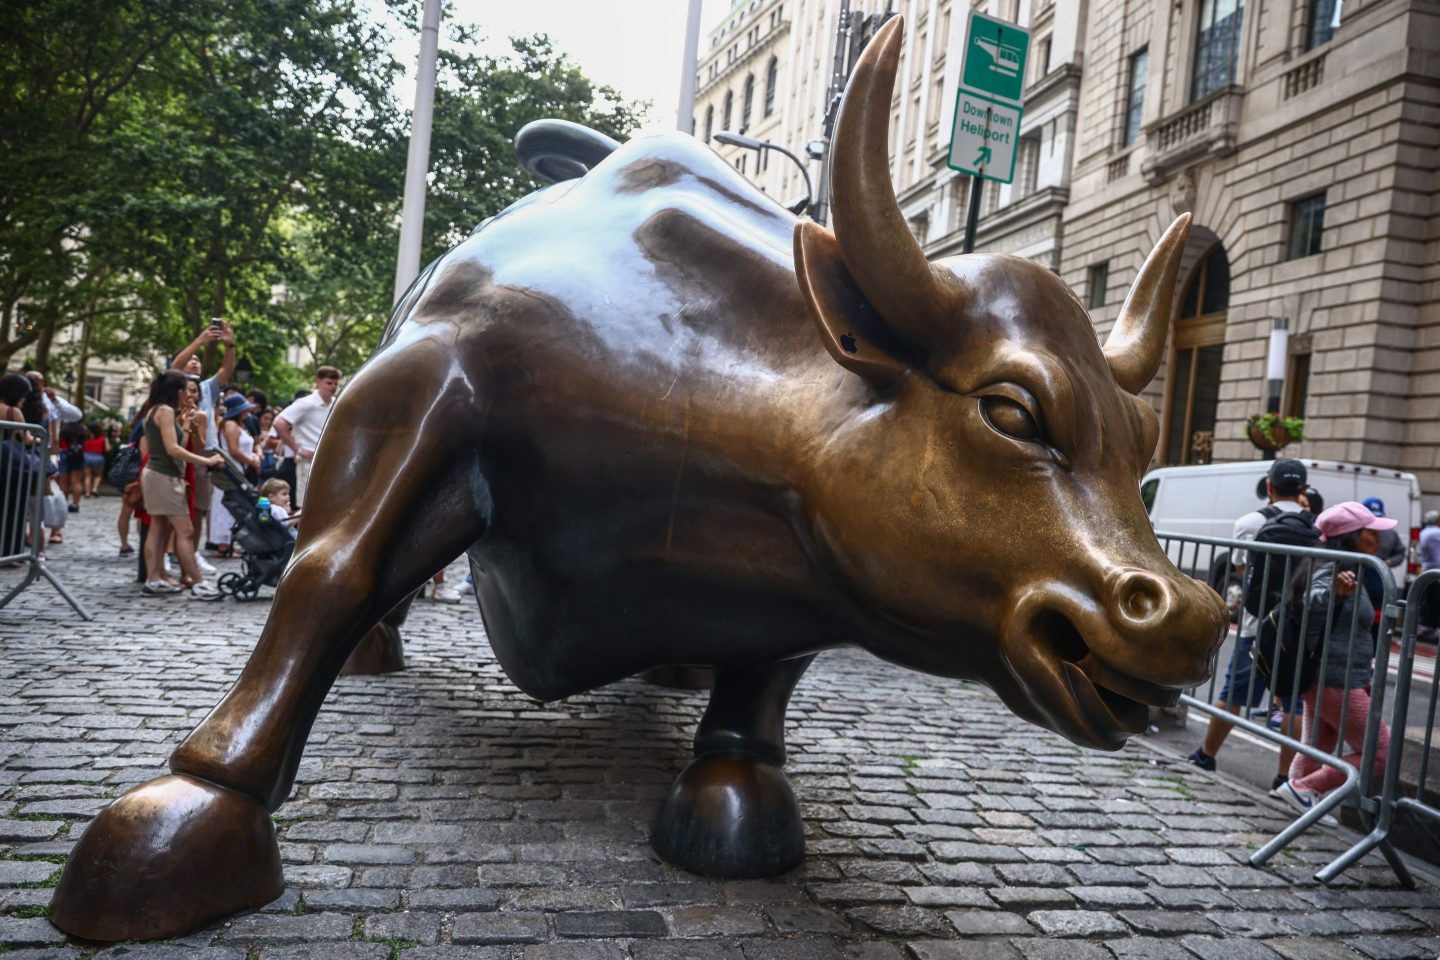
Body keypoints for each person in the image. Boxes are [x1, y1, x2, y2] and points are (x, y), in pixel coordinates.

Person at [1188, 458, 1307, 789]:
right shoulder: (1316, 524)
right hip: (1299, 628)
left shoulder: (1249, 522)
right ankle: (1285, 779)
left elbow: (1242, 571)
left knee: (1234, 692)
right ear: (1303, 490)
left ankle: (1207, 754)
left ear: (1269, 487)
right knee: (1294, 701)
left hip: (1259, 626)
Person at [1274, 501, 1394, 813]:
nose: (1379, 539)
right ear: (1351, 535)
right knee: (1380, 752)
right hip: (1336, 680)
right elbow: (1310, 606)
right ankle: (1304, 788)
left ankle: (1298, 804)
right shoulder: (1333, 568)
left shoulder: (1347, 566)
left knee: (1317, 749)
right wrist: (1334, 596)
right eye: (1371, 533)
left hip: (1330, 677)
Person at [138, 370, 224, 599]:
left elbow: (176, 445)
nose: (189, 393)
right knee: (185, 531)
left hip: (159, 475)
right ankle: (199, 583)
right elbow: (173, 449)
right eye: (187, 389)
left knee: (158, 527)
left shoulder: (154, 410)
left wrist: (185, 426)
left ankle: (154, 578)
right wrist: (207, 460)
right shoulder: (165, 411)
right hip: (163, 477)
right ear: (178, 391)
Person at [169, 322, 237, 553]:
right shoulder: (170, 385)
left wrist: (230, 344)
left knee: (199, 508)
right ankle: (170, 552)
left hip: (204, 453)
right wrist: (200, 339)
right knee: (175, 508)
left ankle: (192, 553)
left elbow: (226, 371)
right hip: (177, 451)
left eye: (199, 358)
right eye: (191, 357)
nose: (196, 360)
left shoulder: (206, 388)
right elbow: (174, 368)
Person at [273, 367, 340, 509]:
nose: (333, 387)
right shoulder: (306, 403)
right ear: (318, 382)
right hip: (308, 461)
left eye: (336, 383)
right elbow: (279, 423)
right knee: (306, 505)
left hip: (328, 461)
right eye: (329, 383)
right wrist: (298, 449)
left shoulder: (336, 404)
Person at [211, 394, 260, 557]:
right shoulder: (231, 424)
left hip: (239, 468)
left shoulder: (240, 424)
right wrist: (251, 461)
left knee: (237, 505)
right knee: (227, 507)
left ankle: (230, 542)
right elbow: (233, 450)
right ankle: (224, 544)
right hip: (232, 468)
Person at [1360, 497, 1407, 588]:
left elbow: (1400, 553)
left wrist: (1389, 562)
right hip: (1358, 572)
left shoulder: (1390, 533)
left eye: (1378, 516)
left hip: (1380, 575)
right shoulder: (1355, 531)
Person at [1418, 509, 1440, 643]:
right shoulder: (1437, 532)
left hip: (1427, 570)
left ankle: (1427, 625)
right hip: (1438, 571)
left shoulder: (1423, 532)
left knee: (1429, 600)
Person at [81, 423, 109, 497]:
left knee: (87, 476)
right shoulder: (103, 438)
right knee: (98, 476)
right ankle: (94, 489)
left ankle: (87, 493)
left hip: (86, 456)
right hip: (98, 457)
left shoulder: (85, 438)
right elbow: (107, 449)